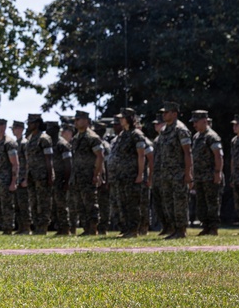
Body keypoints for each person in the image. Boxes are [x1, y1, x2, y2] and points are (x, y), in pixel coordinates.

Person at [154, 102, 192, 239]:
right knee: (168, 203)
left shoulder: (180, 130)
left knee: (179, 202)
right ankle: (173, 229)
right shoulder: (164, 131)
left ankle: (181, 230)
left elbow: (187, 153)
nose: (163, 115)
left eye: (166, 112)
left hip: (178, 174)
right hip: (166, 174)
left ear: (174, 114)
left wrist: (188, 173)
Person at [107, 109, 146, 238]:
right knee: (122, 203)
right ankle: (126, 229)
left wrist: (140, 174)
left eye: (122, 118)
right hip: (120, 176)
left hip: (131, 175)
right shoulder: (122, 135)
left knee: (132, 204)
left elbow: (141, 155)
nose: (120, 120)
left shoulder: (136, 134)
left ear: (129, 118)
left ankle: (133, 230)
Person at [189, 110, 224, 236]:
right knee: (201, 203)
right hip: (199, 177)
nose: (194, 125)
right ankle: (205, 226)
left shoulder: (212, 137)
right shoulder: (196, 137)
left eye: (196, 122)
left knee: (212, 202)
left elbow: (218, 156)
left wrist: (217, 172)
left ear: (204, 121)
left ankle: (213, 227)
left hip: (210, 176)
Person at [70, 110, 104, 236]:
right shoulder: (75, 139)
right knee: (80, 204)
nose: (76, 122)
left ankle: (93, 228)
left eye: (78, 119)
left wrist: (97, 174)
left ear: (85, 121)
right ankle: (86, 228)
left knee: (90, 204)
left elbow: (100, 157)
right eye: (76, 119)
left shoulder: (92, 138)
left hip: (89, 176)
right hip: (78, 177)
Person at [24, 114, 54, 236]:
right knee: (33, 201)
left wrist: (50, 174)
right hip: (32, 175)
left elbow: (49, 158)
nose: (28, 125)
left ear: (37, 123)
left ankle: (43, 227)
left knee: (43, 202)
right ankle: (36, 226)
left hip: (42, 175)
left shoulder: (44, 138)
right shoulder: (30, 138)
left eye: (30, 123)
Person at [0, 118, 19, 235]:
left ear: (3, 127)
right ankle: (4, 227)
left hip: (7, 180)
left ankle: (8, 229)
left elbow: (15, 164)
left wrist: (13, 182)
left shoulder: (9, 143)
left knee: (7, 205)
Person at [51, 120, 74, 235]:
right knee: (56, 205)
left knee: (62, 204)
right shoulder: (52, 143)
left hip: (62, 178)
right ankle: (59, 227)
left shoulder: (62, 144)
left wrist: (66, 180)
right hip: (55, 179)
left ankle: (65, 228)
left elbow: (68, 163)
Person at [12, 120, 32, 235]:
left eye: (14, 128)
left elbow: (28, 161)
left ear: (20, 129)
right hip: (18, 179)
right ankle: (21, 227)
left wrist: (26, 178)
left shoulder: (24, 143)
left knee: (24, 204)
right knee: (18, 205)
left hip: (23, 179)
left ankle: (26, 228)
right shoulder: (16, 143)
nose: (13, 131)